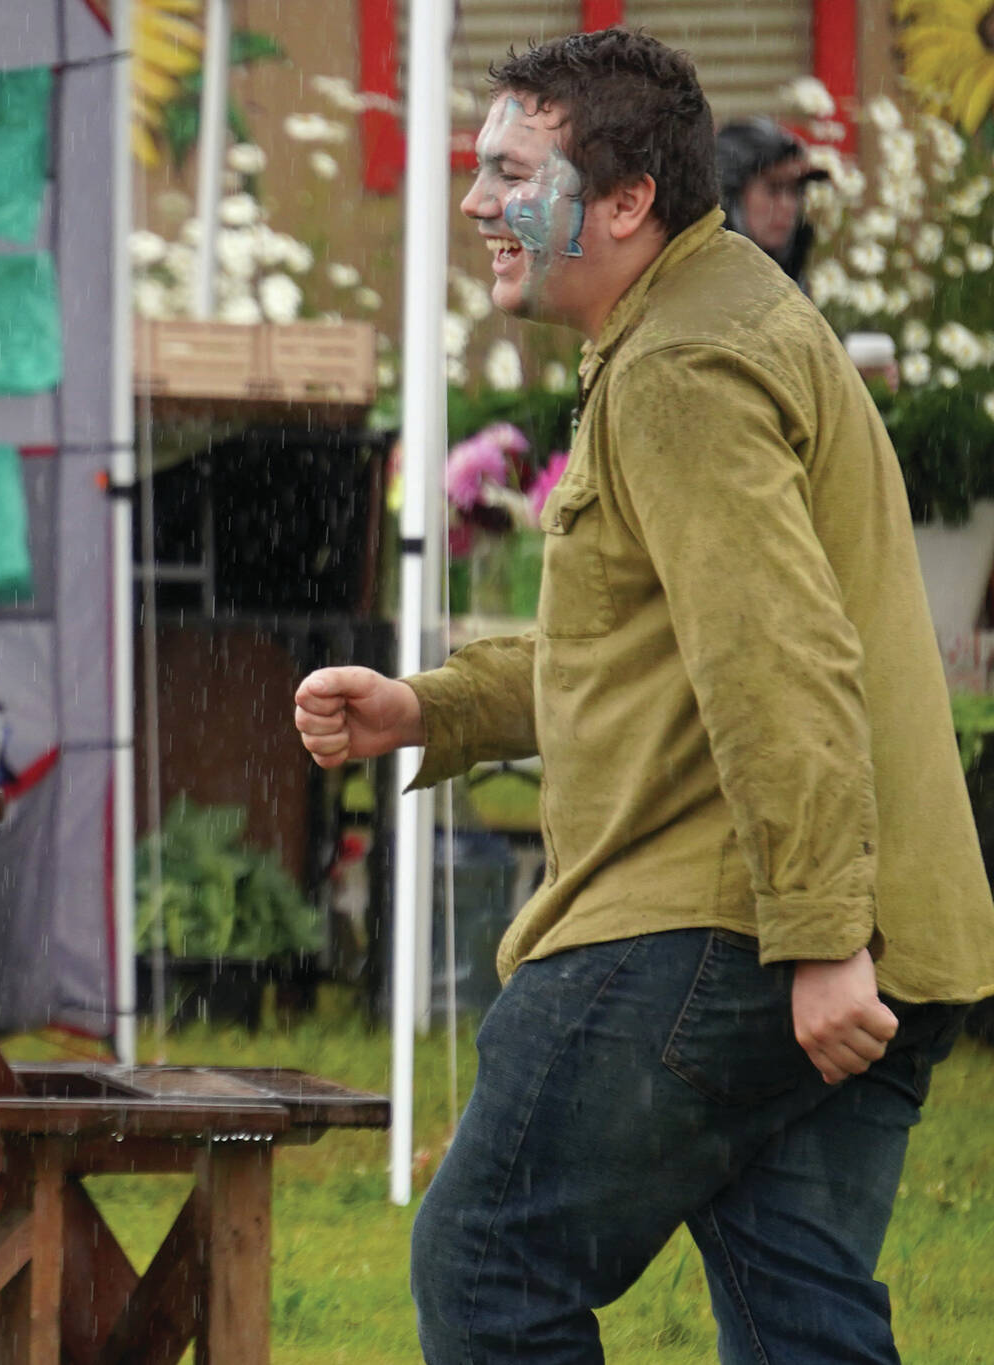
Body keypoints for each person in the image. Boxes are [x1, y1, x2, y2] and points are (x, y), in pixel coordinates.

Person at [293, 29, 994, 1364]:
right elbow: (650, 650)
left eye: (510, 169)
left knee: (489, 1266)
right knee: (802, 1323)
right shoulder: (714, 320)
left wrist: (820, 936)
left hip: (745, 925)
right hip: (870, 922)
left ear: (623, 202)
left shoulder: (682, 366)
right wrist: (430, 706)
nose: (476, 201)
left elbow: (780, 661)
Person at [717, 114, 828, 289]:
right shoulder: (705, 286)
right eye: (773, 189)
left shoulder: (792, 276)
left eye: (794, 190)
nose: (788, 205)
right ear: (730, 197)